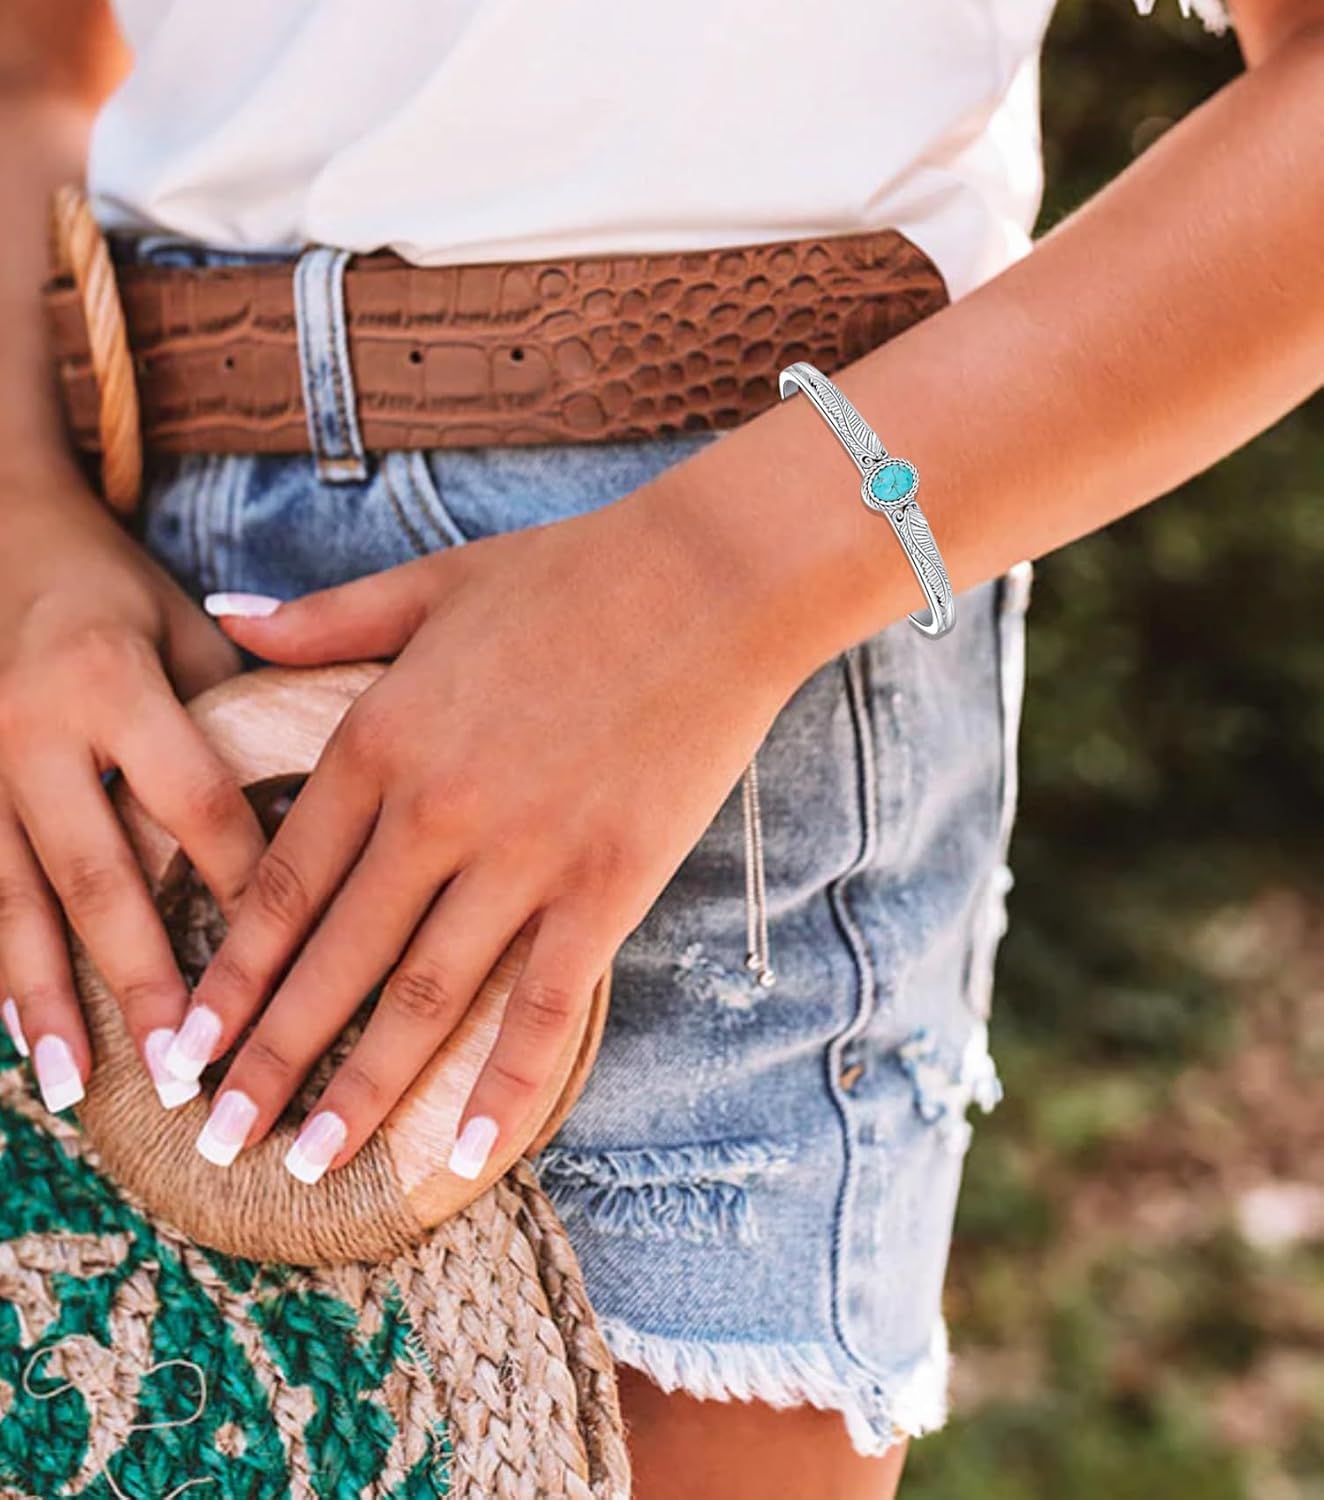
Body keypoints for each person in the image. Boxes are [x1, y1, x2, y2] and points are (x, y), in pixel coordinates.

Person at [1, 3, 1320, 1496]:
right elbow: (34, 60)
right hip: (116, 618)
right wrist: (19, 509)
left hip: (721, 608)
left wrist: (714, 582)